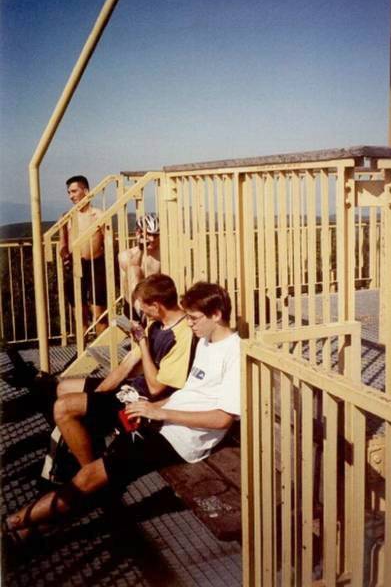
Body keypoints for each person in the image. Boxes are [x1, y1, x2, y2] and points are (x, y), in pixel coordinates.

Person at [5, 282, 240, 545]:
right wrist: (152, 409)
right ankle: (31, 523)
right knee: (94, 467)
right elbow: (188, 395)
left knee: (91, 475)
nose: (190, 323)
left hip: (179, 439)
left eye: (194, 318)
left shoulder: (234, 354)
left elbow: (222, 419)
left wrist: (161, 413)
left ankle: (14, 522)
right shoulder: (207, 341)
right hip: (162, 420)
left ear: (216, 314)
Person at [41, 273, 195, 477]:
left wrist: (142, 343)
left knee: (63, 408)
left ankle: (90, 475)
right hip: (132, 388)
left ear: (156, 306)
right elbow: (126, 365)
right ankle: (91, 450)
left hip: (144, 401)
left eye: (144, 307)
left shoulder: (183, 335)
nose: (142, 312)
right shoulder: (157, 323)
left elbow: (156, 389)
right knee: (64, 388)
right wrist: (97, 395)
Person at [60, 175, 107, 336]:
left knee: (99, 313)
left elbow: (109, 241)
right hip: (75, 267)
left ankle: (103, 347)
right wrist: (64, 255)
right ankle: (82, 349)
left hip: (97, 264)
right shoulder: (66, 217)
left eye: (74, 191)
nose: (71, 196)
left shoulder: (98, 214)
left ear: (86, 191)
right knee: (79, 314)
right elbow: (62, 244)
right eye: (69, 192)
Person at [118, 213, 161, 320]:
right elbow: (130, 269)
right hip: (133, 305)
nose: (152, 239)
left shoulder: (163, 253)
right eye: (149, 234)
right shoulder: (126, 255)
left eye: (155, 235)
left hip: (156, 302)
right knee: (133, 269)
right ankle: (142, 313)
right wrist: (142, 249)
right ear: (138, 233)